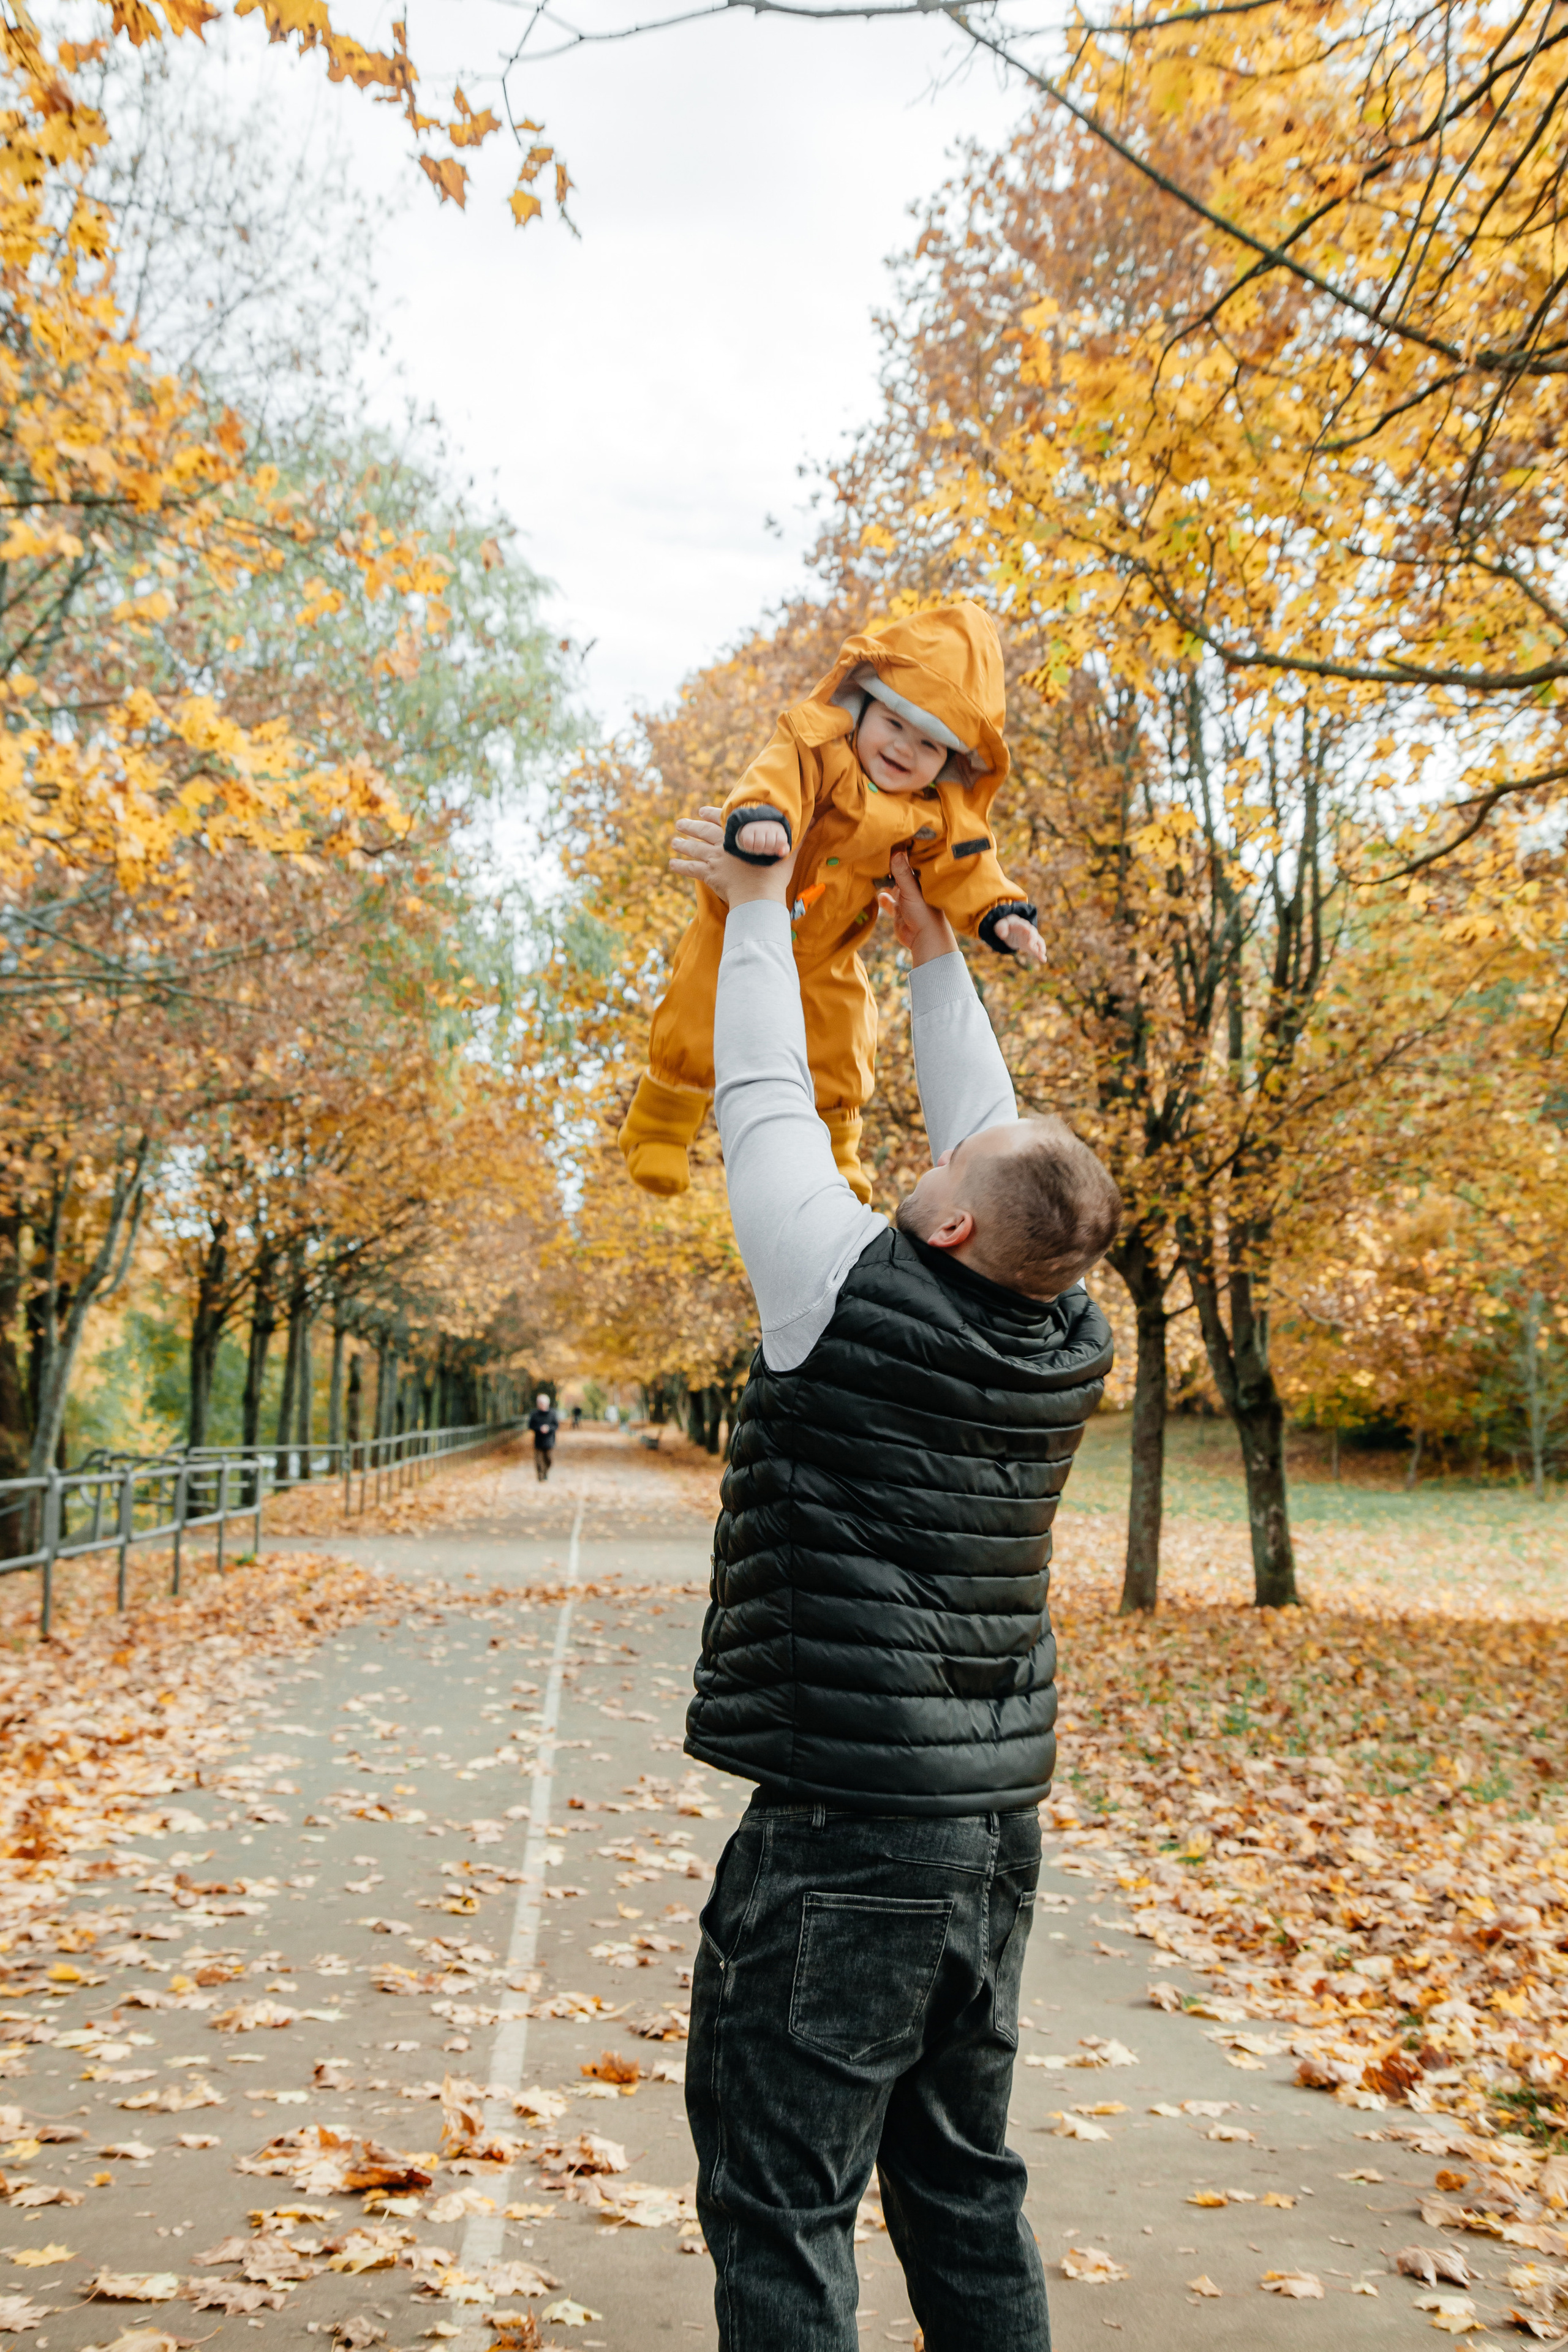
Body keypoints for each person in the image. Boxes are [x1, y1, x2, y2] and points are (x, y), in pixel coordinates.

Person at [676, 812, 1118, 2352]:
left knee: (781, 2197)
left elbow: (760, 1100)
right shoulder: (1065, 1330)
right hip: (987, 1836)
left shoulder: (836, 1293)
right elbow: (1016, 1162)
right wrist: (934, 962)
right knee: (956, 2174)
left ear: (939, 1223)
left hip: (847, 1837)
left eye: (933, 1168)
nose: (923, 1159)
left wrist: (749, 913)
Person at [617, 603, 1047, 1207]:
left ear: (947, 762)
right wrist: (763, 819)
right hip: (743, 906)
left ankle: (837, 1151)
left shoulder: (932, 814)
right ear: (861, 705)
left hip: (831, 942)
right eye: (894, 723)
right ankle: (661, 1123)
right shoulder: (818, 747)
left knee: (842, 1036)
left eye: (927, 743)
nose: (904, 747)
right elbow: (775, 775)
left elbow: (967, 864)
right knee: (700, 1004)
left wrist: (1002, 913)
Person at [527, 1391, 559, 1483]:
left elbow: (556, 1426)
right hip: (538, 1441)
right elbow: (531, 1426)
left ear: (547, 1404)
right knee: (539, 1460)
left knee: (549, 1459)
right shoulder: (534, 1414)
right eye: (540, 1403)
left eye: (544, 1403)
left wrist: (548, 1428)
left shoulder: (552, 1413)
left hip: (549, 1441)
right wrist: (539, 1428)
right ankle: (541, 1476)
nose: (542, 1405)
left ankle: (545, 1472)